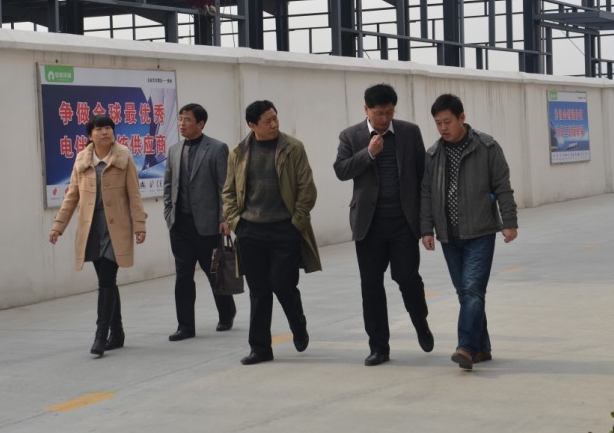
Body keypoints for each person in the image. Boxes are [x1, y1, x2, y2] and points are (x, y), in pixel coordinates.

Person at [333, 84, 432, 367]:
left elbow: (423, 177)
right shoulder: (351, 136)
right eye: (379, 113)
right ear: (366, 109)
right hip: (369, 226)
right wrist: (369, 153)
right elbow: (341, 170)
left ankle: (420, 321)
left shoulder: (409, 132)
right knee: (371, 287)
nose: (384, 119)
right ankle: (378, 347)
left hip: (403, 224)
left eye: (389, 113)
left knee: (408, 279)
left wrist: (426, 224)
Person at [420, 94, 518, 371]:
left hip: (480, 231)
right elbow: (426, 193)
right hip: (449, 235)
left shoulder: (486, 147)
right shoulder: (433, 154)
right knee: (465, 293)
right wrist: (426, 229)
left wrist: (509, 221)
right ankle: (481, 348)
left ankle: (465, 347)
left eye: (447, 122)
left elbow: (502, 186)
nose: (443, 128)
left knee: (473, 289)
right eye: (438, 123)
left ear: (462, 118)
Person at [222, 100, 321, 365]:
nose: (274, 124)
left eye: (275, 118)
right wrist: (237, 222)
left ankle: (298, 325)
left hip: (284, 228)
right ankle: (260, 348)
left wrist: (296, 222)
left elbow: (307, 189)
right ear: (252, 125)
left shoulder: (292, 148)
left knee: (283, 284)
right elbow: (228, 191)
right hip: (250, 230)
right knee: (259, 290)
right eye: (267, 121)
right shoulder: (239, 152)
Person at [49, 115, 147, 358]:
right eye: (99, 129)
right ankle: (118, 333)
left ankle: (101, 336)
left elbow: (134, 194)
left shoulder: (123, 157)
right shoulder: (82, 160)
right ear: (90, 135)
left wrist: (139, 225)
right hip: (92, 228)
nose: (105, 132)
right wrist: (58, 227)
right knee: (107, 281)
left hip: (117, 228)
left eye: (108, 128)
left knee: (106, 278)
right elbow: (72, 196)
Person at [164, 103, 236, 341]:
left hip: (208, 225)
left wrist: (224, 218)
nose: (182, 124)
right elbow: (168, 185)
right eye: (180, 119)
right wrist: (169, 214)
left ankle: (227, 313)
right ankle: (185, 326)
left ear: (201, 124)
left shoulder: (216, 148)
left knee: (214, 273)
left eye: (187, 120)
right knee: (183, 276)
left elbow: (225, 187)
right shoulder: (174, 150)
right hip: (180, 226)